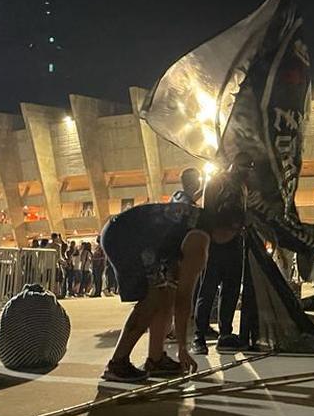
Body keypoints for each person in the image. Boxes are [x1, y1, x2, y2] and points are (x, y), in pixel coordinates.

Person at [100, 151, 255, 381]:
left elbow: (176, 298)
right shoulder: (199, 239)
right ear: (228, 228)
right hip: (125, 238)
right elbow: (185, 299)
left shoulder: (201, 222)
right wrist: (183, 347)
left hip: (136, 236)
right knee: (152, 301)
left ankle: (156, 358)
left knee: (165, 297)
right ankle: (118, 362)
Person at [190, 155, 253, 354]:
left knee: (231, 291)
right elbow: (207, 212)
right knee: (207, 291)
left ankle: (225, 333)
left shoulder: (243, 186)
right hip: (215, 243)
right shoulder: (216, 181)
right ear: (234, 164)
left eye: (249, 167)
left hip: (235, 243)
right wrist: (214, 237)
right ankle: (199, 336)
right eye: (244, 166)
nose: (247, 170)